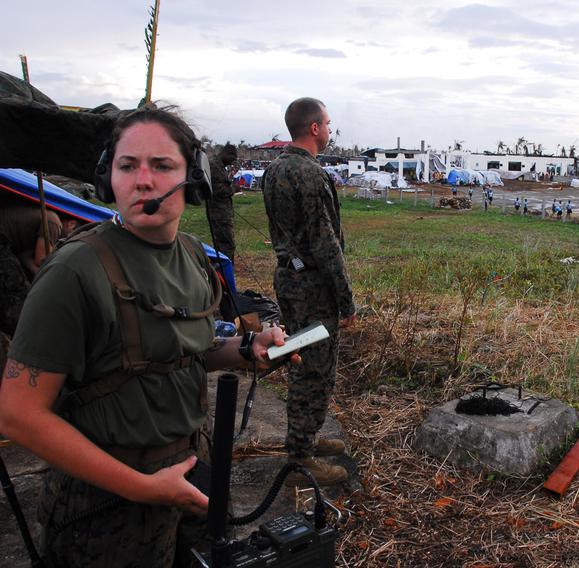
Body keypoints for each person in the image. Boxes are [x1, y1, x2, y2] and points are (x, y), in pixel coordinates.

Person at [0, 106, 298, 567]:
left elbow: (182, 353)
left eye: (161, 166)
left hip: (190, 474)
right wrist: (142, 487)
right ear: (107, 178)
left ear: (194, 178)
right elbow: (18, 413)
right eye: (127, 165)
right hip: (105, 508)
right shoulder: (73, 272)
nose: (143, 181)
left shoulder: (193, 256)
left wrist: (243, 350)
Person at [261, 98, 355, 487]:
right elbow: (325, 242)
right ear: (314, 128)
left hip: (289, 279)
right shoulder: (310, 174)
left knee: (303, 360)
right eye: (328, 124)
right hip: (313, 285)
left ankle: (308, 438)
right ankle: (300, 455)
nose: (330, 131)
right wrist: (345, 298)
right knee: (312, 370)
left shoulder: (274, 170)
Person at [0, 204, 78, 337]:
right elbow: (42, 261)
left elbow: (25, 259)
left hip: (6, 245)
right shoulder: (54, 222)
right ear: (71, 224)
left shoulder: (35, 227)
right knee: (19, 302)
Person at [207, 143, 238, 263]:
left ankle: (221, 269)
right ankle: (226, 270)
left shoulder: (218, 165)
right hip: (218, 213)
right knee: (226, 245)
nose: (232, 162)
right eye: (232, 158)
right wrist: (234, 189)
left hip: (221, 211)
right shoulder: (214, 166)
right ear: (227, 154)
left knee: (222, 244)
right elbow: (218, 190)